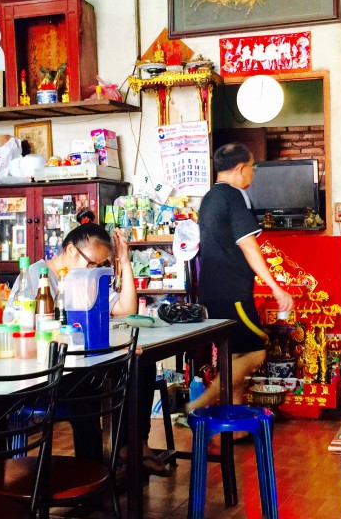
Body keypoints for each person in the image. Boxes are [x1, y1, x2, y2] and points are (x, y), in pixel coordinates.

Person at [29, 210, 168, 473]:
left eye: (100, 265)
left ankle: (131, 444)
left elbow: (126, 309)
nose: (94, 270)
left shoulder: (86, 279)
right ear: (71, 250)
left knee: (140, 364)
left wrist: (124, 260)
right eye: (92, 263)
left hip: (83, 364)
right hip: (49, 372)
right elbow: (31, 330)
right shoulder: (37, 276)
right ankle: (93, 472)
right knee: (83, 395)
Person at [188, 143, 293, 411]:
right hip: (232, 293)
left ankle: (234, 425)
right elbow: (248, 245)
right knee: (256, 352)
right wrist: (276, 288)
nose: (253, 174)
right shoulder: (233, 196)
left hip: (211, 292)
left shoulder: (209, 197)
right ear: (240, 168)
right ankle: (200, 404)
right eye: (252, 168)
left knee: (234, 356)